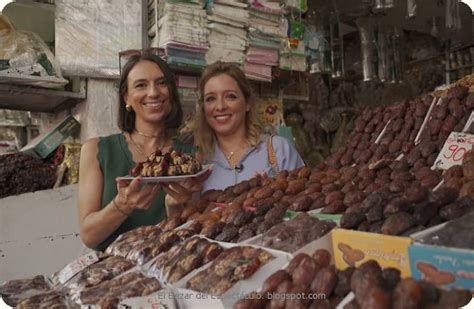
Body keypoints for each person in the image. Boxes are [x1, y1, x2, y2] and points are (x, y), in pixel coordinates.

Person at [78, 53, 203, 251]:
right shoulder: (96, 150)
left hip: (168, 269)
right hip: (112, 272)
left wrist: (175, 209)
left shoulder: (189, 157)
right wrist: (122, 205)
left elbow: (192, 236)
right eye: (141, 85)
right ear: (126, 97)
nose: (153, 93)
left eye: (161, 83)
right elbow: (89, 236)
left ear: (170, 92)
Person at [194, 61, 305, 192]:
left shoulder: (278, 150)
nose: (220, 107)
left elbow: (304, 206)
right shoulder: (198, 164)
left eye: (230, 96)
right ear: (203, 108)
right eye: (210, 99)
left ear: (247, 103)